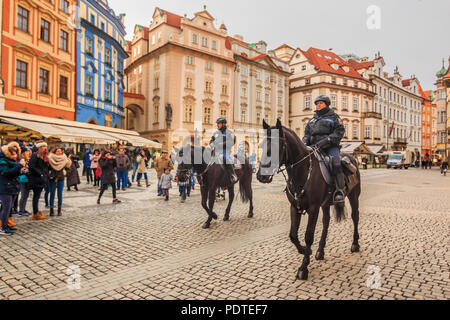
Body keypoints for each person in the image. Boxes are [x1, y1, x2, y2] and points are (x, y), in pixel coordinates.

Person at [302, 95, 346, 206]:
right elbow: (307, 134)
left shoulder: (334, 117)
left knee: (336, 163)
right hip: (313, 147)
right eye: (317, 104)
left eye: (321, 103)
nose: (318, 105)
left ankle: (339, 191)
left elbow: (339, 132)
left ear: (326, 104)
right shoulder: (312, 120)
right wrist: (304, 141)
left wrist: (327, 140)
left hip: (330, 147)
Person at [0, 142, 24, 235]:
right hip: (5, 187)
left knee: (9, 208)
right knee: (6, 208)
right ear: (8, 153)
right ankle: (3, 228)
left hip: (12, 186)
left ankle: (6, 225)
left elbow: (13, 173)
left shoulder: (11, 161)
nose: (15, 156)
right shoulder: (2, 160)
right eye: (14, 154)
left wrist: (21, 171)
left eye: (16, 154)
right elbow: (6, 173)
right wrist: (19, 166)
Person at [209, 117, 238, 184]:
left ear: (223, 124)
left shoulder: (229, 132)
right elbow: (211, 141)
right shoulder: (216, 133)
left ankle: (233, 174)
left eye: (218, 123)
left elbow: (232, 141)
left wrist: (221, 144)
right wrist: (211, 144)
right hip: (216, 151)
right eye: (217, 124)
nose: (217, 125)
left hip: (225, 151)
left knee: (225, 158)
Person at [28, 142, 49, 220]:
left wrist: (46, 174)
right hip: (36, 179)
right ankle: (35, 213)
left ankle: (36, 212)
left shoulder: (45, 156)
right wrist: (40, 173)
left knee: (37, 196)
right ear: (39, 148)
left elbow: (46, 167)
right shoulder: (35, 155)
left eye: (45, 146)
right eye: (43, 146)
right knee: (36, 197)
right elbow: (31, 166)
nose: (44, 147)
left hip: (42, 179)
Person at [48, 148, 71, 217]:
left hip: (61, 178)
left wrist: (65, 173)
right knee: (52, 194)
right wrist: (50, 174)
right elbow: (47, 168)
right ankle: (51, 210)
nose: (59, 152)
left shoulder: (65, 159)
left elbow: (68, 169)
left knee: (60, 195)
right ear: (54, 152)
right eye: (58, 151)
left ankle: (59, 210)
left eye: (60, 151)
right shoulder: (50, 159)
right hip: (52, 179)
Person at [18, 146, 32, 217]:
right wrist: (28, 170)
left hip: (27, 179)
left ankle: (23, 209)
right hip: (23, 179)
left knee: (26, 195)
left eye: (28, 151)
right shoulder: (22, 160)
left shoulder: (27, 159)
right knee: (23, 195)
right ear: (23, 153)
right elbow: (21, 170)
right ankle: (21, 210)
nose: (28, 153)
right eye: (27, 151)